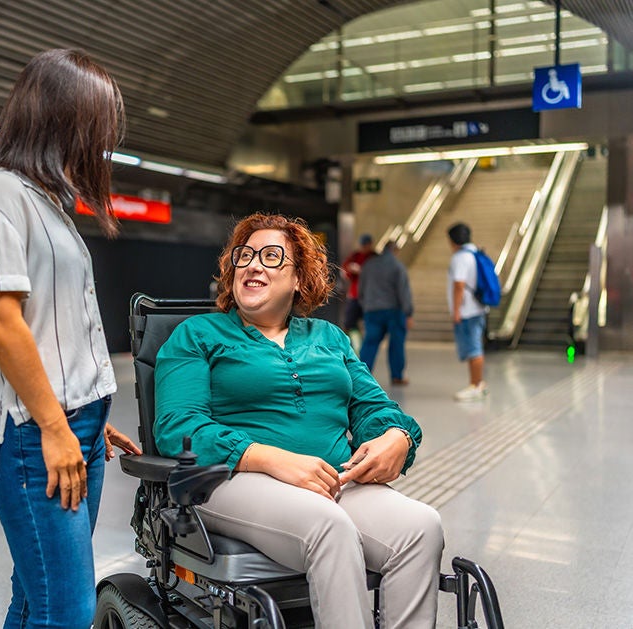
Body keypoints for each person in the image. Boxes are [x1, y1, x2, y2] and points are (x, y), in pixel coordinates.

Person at [154, 213, 443, 629]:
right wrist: (269, 458)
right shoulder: (199, 334)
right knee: (328, 526)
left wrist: (397, 436)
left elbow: (371, 406)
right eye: (245, 255)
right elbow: (178, 426)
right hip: (231, 481)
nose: (252, 264)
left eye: (271, 256)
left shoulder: (328, 337)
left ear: (298, 279)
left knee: (421, 527)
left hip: (332, 480)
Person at [0, 49, 141, 629]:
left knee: (35, 597)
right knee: (67, 610)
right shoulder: (0, 194)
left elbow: (55, 326)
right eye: (98, 124)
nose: (104, 140)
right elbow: (0, 319)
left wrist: (88, 412)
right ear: (61, 118)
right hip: (33, 438)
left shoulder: (48, 201)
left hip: (73, 428)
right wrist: (58, 426)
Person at [358, 240, 414, 385]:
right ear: (395, 250)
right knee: (396, 344)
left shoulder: (368, 265)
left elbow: (361, 289)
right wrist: (408, 313)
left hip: (372, 310)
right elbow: (403, 292)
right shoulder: (397, 266)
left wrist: (365, 306)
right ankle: (397, 376)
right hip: (393, 311)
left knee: (370, 343)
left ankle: (362, 376)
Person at [447, 222, 489, 401]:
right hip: (477, 309)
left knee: (474, 349)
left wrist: (456, 310)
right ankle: (478, 383)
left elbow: (459, 285)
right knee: (475, 347)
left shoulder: (460, 257)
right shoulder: (475, 253)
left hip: (467, 311)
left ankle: (476, 385)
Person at [341, 233, 376, 349]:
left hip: (370, 296)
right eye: (363, 245)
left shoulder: (374, 257)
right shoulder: (355, 256)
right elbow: (345, 270)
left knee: (370, 324)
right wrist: (351, 270)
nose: (364, 248)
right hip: (355, 295)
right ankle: (350, 346)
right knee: (348, 323)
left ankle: (363, 346)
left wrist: (362, 271)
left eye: (366, 245)